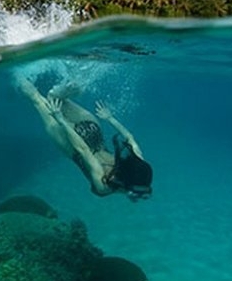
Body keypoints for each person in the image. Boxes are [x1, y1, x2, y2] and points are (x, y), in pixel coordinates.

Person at [18, 79, 153, 200]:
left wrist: (110, 118)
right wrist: (62, 121)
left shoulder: (137, 161)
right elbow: (83, 150)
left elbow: (129, 137)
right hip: (72, 145)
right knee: (36, 97)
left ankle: (74, 81)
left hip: (93, 132)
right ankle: (16, 73)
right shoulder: (103, 185)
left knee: (55, 97)